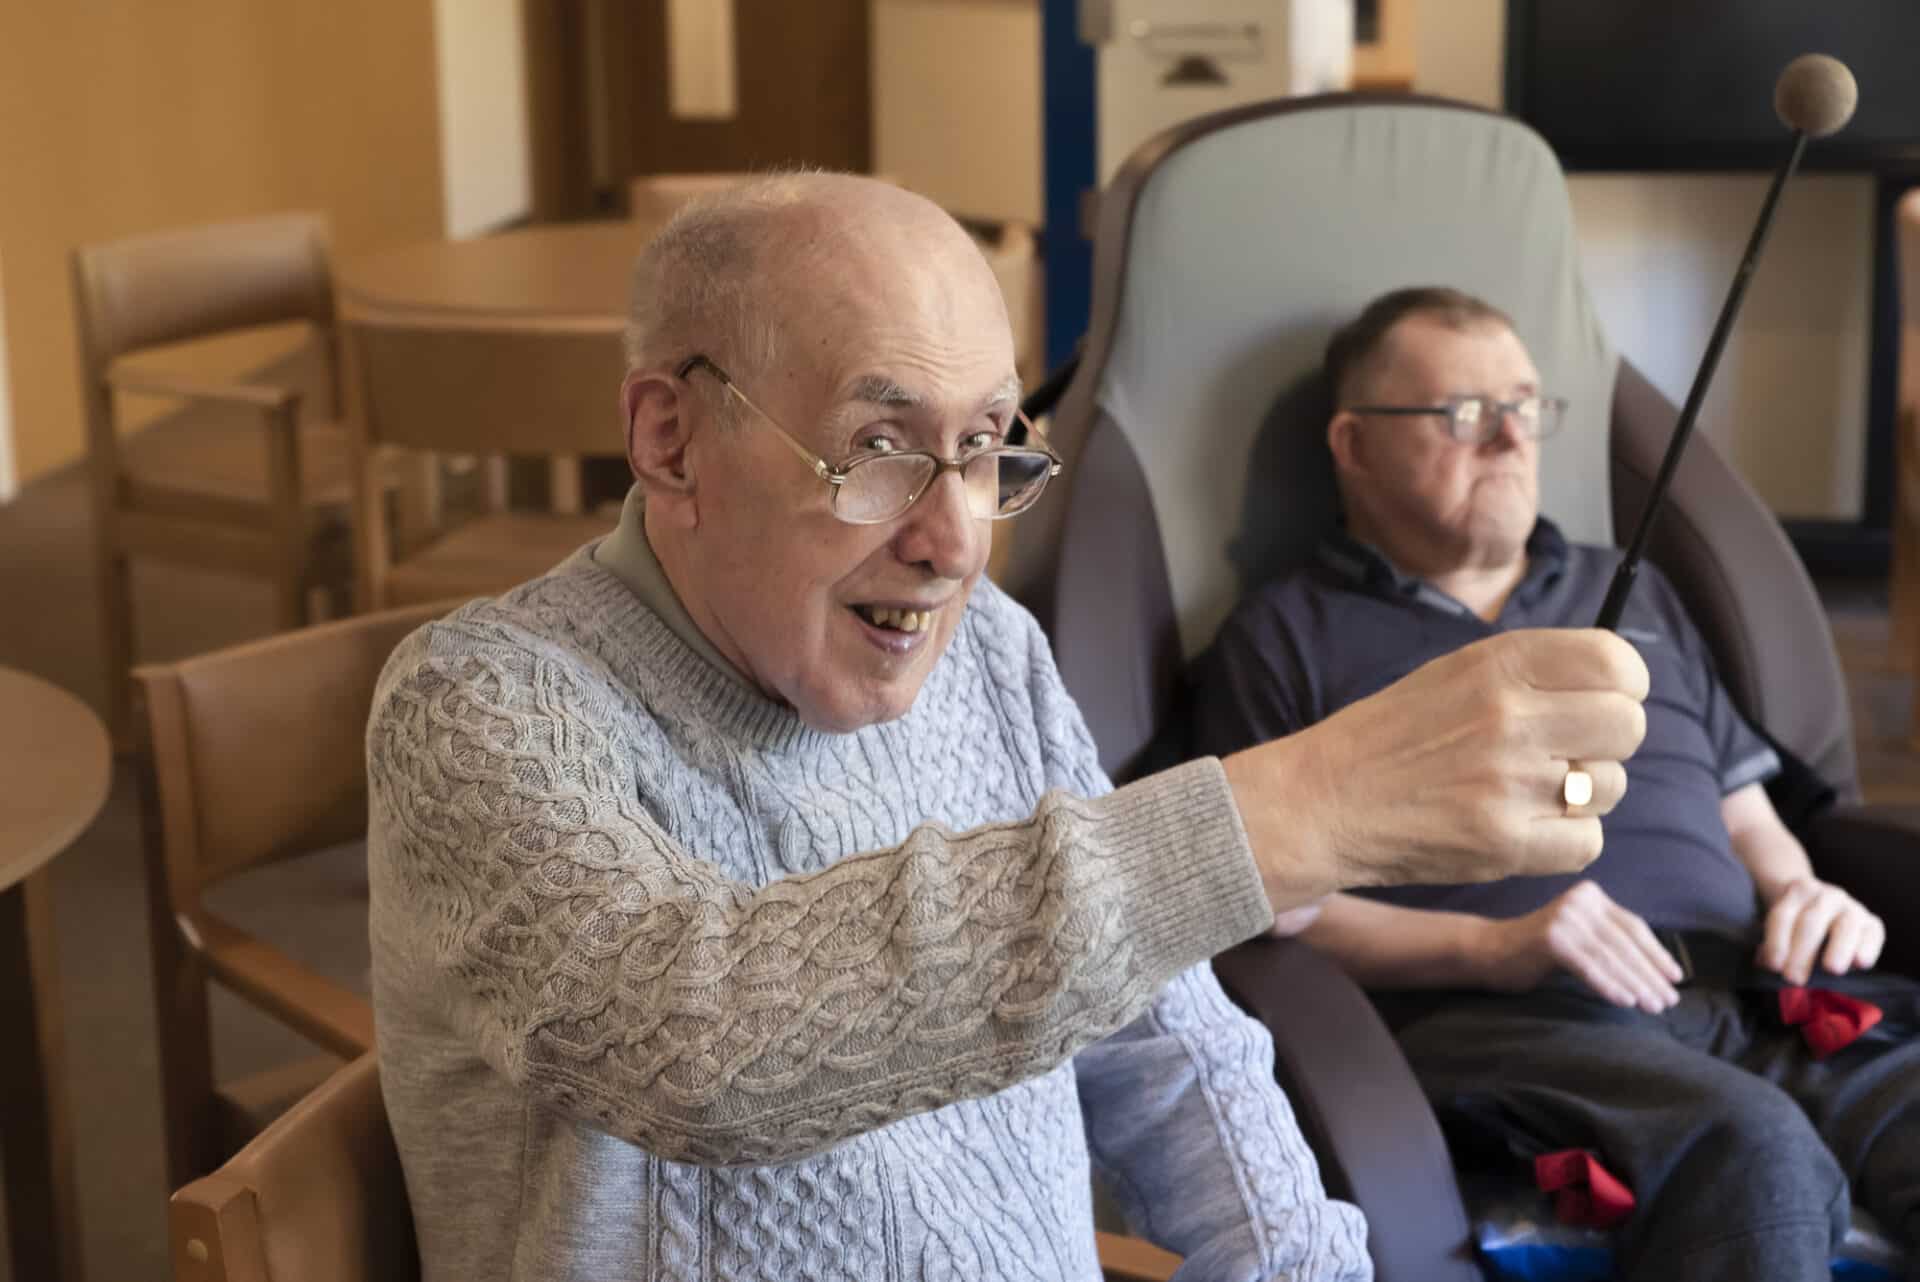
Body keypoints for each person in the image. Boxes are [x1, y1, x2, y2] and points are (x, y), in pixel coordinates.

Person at [366, 180, 1648, 1282]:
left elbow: (1165, 1043)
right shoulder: (480, 702)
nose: (953, 543)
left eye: (983, 446)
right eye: (877, 446)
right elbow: (693, 1045)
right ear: (671, 441)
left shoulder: (989, 650)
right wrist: (1300, 808)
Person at [1190, 285, 1920, 1281]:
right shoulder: (1285, 636)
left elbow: (1745, 810)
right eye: (1463, 413)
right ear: (1354, 444)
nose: (1508, 438)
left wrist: (1801, 890)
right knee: (1752, 1152)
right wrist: (1496, 946)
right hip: (1521, 1021)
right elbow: (1272, 907)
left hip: (1759, 994)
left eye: (1525, 407)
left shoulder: (1633, 588)